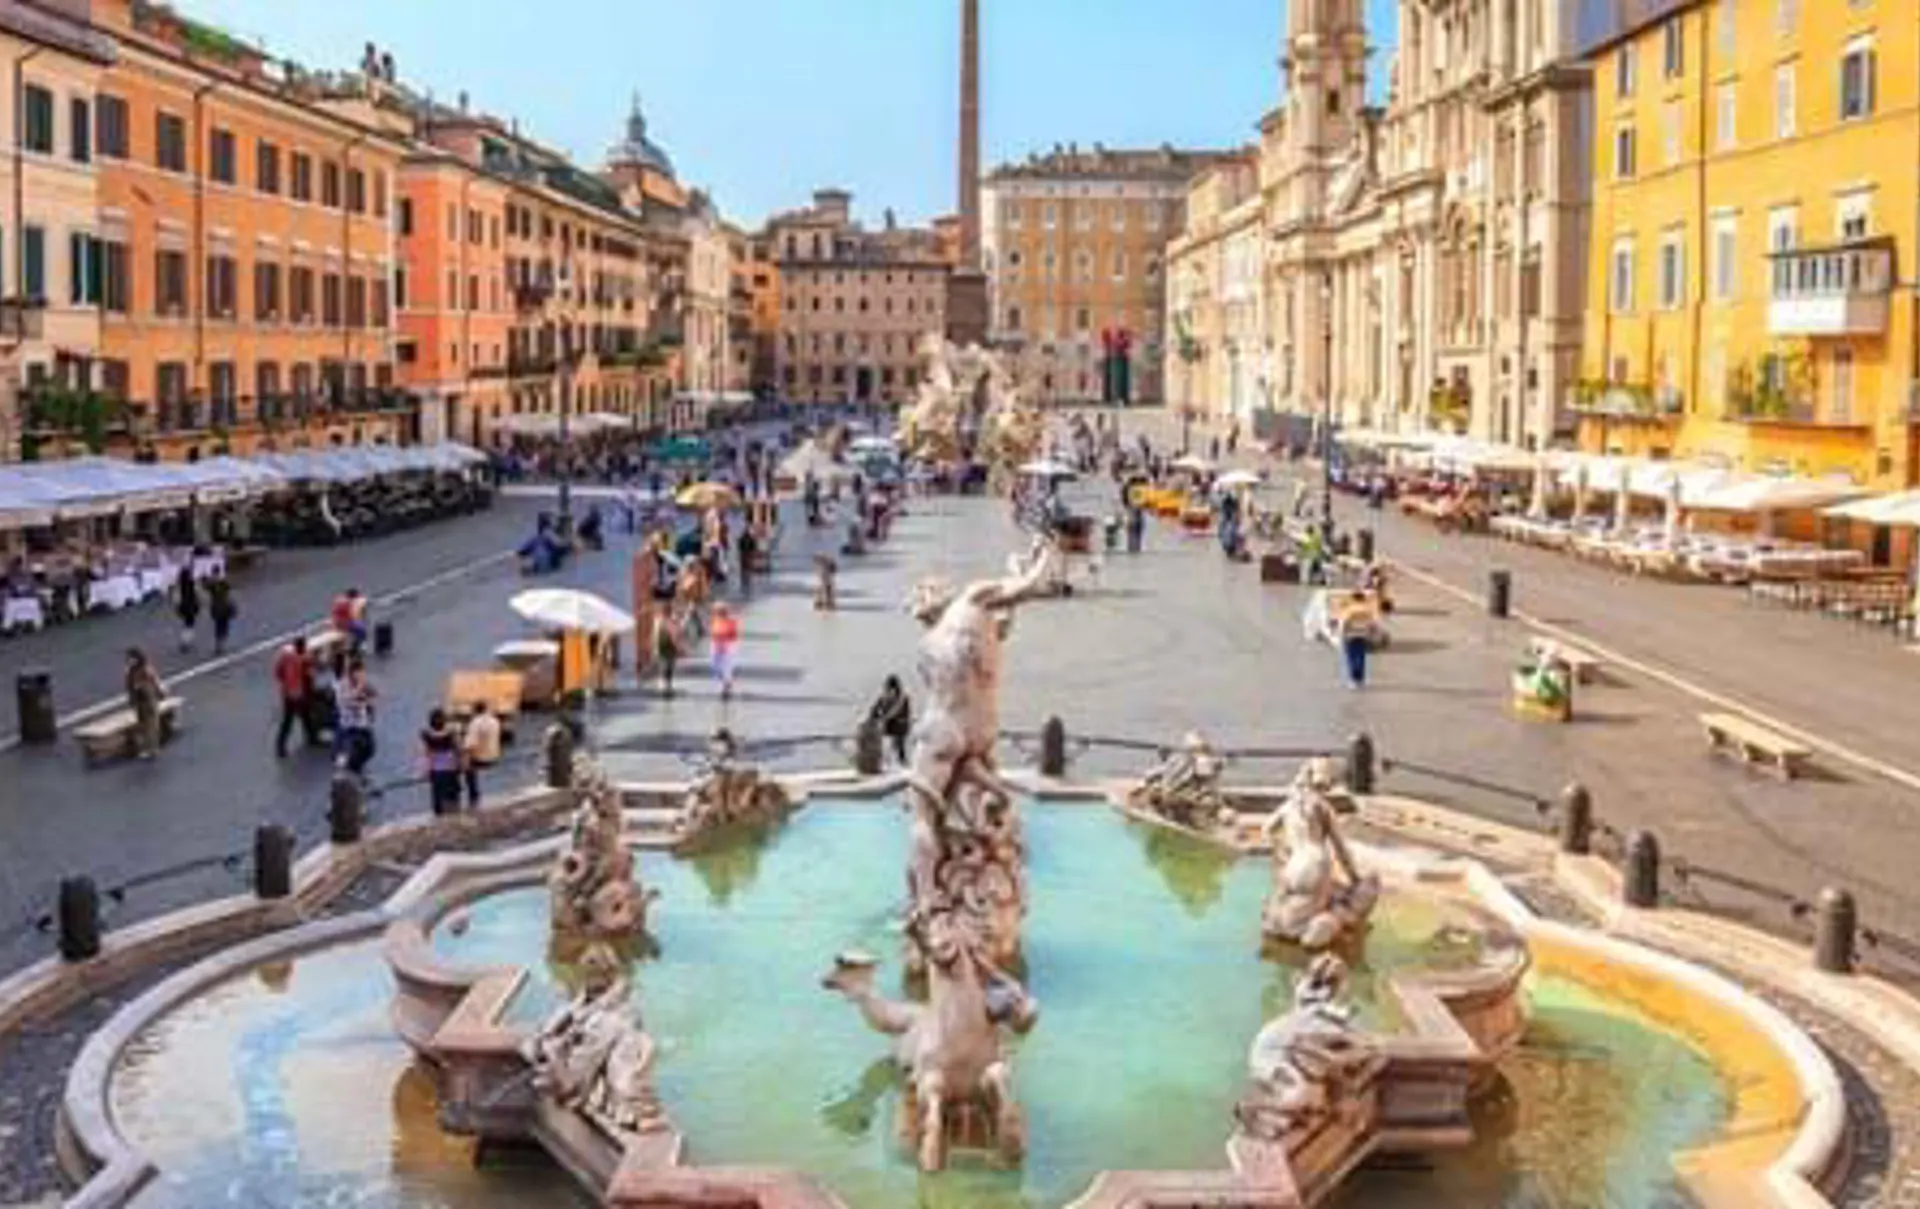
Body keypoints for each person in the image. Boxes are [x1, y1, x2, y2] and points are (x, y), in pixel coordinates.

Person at [273, 637, 317, 757]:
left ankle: (281, 746)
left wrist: (284, 683)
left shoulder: (285, 657)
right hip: (299, 692)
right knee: (300, 716)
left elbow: (278, 672)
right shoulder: (304, 659)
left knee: (294, 718)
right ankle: (311, 738)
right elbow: (311, 674)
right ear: (302, 647)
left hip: (288, 692)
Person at [334, 660, 378, 776]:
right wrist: (360, 689)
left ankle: (357, 766)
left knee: (370, 749)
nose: (361, 675)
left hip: (362, 724)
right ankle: (345, 774)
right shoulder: (343, 685)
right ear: (352, 673)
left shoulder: (363, 683)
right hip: (348, 726)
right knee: (345, 753)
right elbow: (345, 701)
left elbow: (374, 695)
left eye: (362, 672)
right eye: (358, 672)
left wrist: (369, 697)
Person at [420, 708, 463, 815]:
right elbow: (457, 749)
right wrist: (460, 764)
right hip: (450, 767)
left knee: (437, 797)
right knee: (452, 796)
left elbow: (427, 753)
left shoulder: (426, 735)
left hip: (436, 769)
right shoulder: (451, 734)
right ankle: (454, 814)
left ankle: (439, 816)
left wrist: (425, 769)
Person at [125, 648, 165, 760]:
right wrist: (131, 700)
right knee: (142, 724)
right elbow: (129, 687)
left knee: (151, 725)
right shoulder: (130, 671)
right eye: (129, 659)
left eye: (132, 658)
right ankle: (146, 747)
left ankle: (153, 748)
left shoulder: (146, 669)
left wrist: (160, 692)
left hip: (148, 699)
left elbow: (155, 681)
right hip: (139, 700)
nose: (130, 661)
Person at [462, 701, 502, 808]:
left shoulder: (475, 723)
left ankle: (472, 795)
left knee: (466, 767)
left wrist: (464, 758)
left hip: (480, 758)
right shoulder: (495, 721)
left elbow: (471, 745)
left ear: (475, 711)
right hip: (495, 756)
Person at [869, 674, 912, 765]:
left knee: (899, 746)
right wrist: (872, 718)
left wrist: (883, 718)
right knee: (888, 747)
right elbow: (875, 709)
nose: (890, 691)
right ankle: (890, 762)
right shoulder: (884, 697)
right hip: (889, 727)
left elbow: (896, 711)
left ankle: (901, 763)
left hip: (899, 727)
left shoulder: (903, 698)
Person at [710, 601, 741, 701]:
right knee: (715, 667)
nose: (719, 613)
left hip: (728, 646)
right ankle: (725, 683)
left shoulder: (732, 621)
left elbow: (734, 635)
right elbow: (712, 634)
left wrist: (725, 643)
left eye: (721, 611)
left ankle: (725, 687)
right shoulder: (714, 620)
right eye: (717, 611)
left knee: (726, 667)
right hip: (716, 645)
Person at [652, 608, 682, 699]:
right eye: (666, 612)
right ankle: (664, 687)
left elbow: (677, 635)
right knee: (664, 667)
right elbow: (656, 636)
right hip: (663, 648)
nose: (667, 614)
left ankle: (668, 687)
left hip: (671, 648)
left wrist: (678, 647)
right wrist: (656, 648)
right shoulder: (659, 622)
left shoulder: (672, 622)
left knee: (670, 668)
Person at [1337, 611, 1370, 690]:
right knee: (1361, 657)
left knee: (1351, 658)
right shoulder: (1365, 612)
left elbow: (1343, 626)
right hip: (1362, 636)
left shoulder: (1348, 612)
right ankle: (1360, 678)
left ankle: (1353, 678)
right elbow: (1371, 625)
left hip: (1351, 638)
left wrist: (1342, 636)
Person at [207, 574, 237, 654]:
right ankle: (221, 644)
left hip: (217, 608)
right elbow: (229, 593)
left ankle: (219, 645)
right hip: (224, 608)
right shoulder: (223, 584)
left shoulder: (212, 585)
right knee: (223, 626)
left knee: (218, 626)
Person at [173, 566, 200, 652]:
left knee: (186, 624)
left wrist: (177, 606)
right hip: (191, 605)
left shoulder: (180, 585)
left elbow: (176, 597)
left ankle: (185, 641)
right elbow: (197, 593)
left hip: (183, 606)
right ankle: (186, 641)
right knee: (190, 624)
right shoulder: (192, 583)